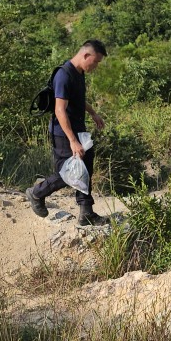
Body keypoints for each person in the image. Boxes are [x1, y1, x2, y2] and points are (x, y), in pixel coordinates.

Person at [26, 40, 108, 225]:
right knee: (69, 172)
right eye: (95, 62)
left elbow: (78, 100)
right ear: (86, 55)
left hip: (78, 130)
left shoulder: (79, 73)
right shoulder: (64, 75)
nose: (95, 66)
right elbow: (59, 110)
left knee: (85, 166)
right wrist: (72, 140)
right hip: (63, 133)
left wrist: (93, 113)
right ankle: (37, 193)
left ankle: (86, 212)